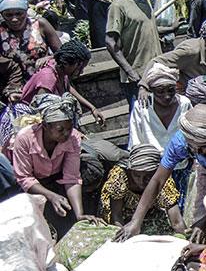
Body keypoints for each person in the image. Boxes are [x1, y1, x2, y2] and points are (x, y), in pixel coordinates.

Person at [122, 104, 206, 239]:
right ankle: (203, 235)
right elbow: (158, 180)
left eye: (203, 147)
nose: (197, 151)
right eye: (192, 148)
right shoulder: (181, 142)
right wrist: (136, 221)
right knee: (200, 208)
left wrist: (204, 223)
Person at [11, 94, 91, 238]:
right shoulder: (24, 138)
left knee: (70, 223)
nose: (66, 133)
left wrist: (80, 215)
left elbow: (72, 177)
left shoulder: (73, 137)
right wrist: (51, 196)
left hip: (55, 178)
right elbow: (24, 178)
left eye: (69, 127)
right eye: (61, 130)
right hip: (30, 185)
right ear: (46, 125)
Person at [105, 0, 162, 110]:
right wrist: (130, 71)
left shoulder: (145, 0)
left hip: (155, 69)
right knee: (139, 118)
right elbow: (110, 42)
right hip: (136, 75)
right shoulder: (118, 6)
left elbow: (145, 28)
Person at [138, 13, 206, 97]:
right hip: (180, 96)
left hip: (197, 93)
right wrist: (144, 87)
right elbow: (156, 61)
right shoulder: (190, 51)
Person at [101, 144, 182, 235]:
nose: (141, 181)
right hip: (122, 216)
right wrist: (123, 236)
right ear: (130, 171)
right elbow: (116, 215)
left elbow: (176, 222)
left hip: (149, 214)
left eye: (148, 177)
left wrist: (185, 239)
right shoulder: (119, 177)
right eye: (137, 175)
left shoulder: (164, 181)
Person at [20, 40, 102, 125]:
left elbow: (68, 87)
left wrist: (92, 108)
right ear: (67, 64)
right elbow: (44, 112)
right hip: (29, 121)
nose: (81, 72)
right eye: (79, 68)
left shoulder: (60, 69)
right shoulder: (48, 78)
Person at [0, 0, 62, 83]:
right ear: (2, 15)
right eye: (9, 15)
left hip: (43, 83)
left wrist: (49, 58)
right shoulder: (1, 31)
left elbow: (63, 53)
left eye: (19, 14)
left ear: (26, 12)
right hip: (11, 88)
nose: (14, 19)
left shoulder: (40, 25)